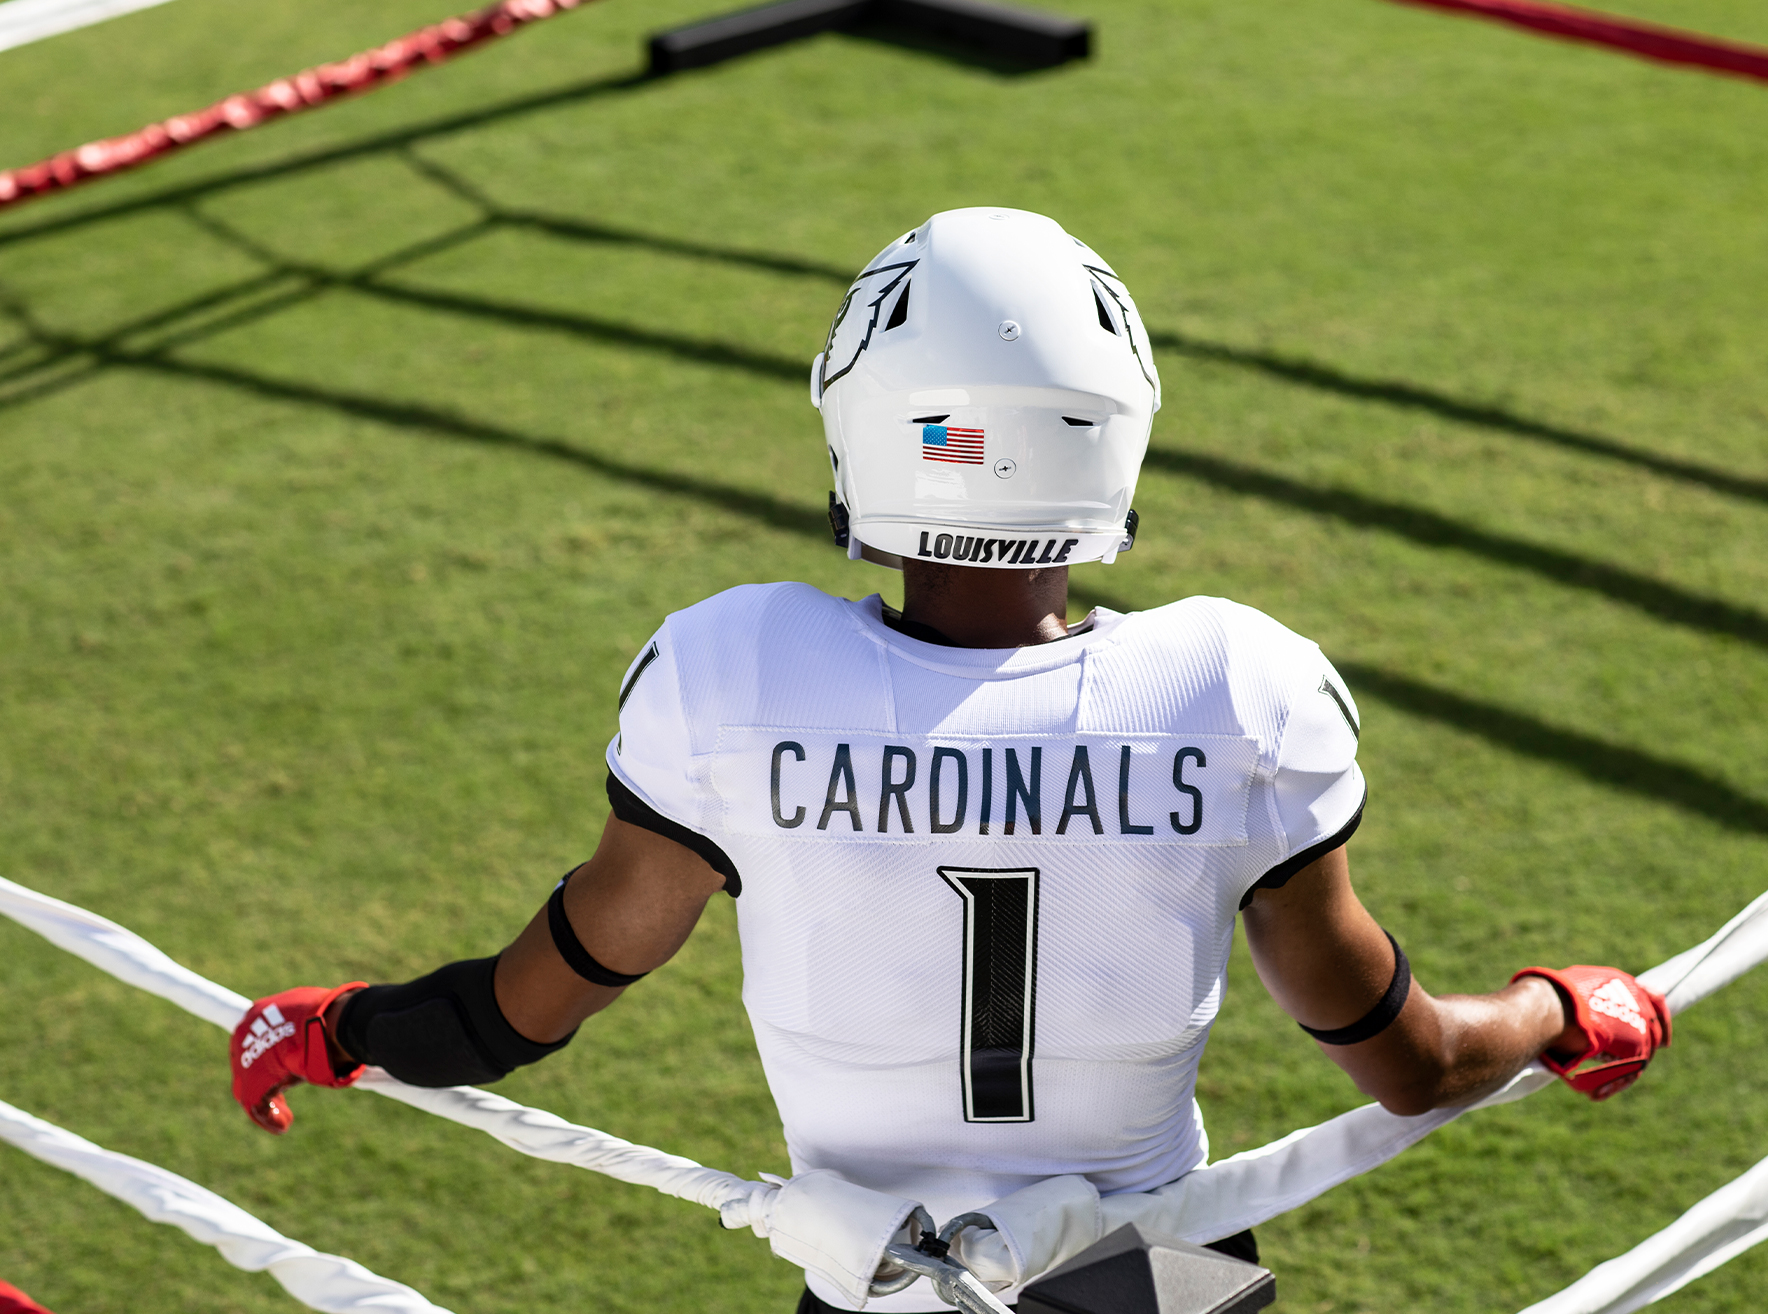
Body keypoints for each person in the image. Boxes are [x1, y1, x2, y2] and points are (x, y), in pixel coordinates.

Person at [229, 208, 1670, 1313]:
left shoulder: (734, 677)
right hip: (1158, 1270)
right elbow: (1413, 1064)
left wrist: (347, 1024)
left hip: (884, 1280)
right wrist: (1559, 1008)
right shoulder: (1232, 686)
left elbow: (528, 1005)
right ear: (1113, 439)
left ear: (866, 426)